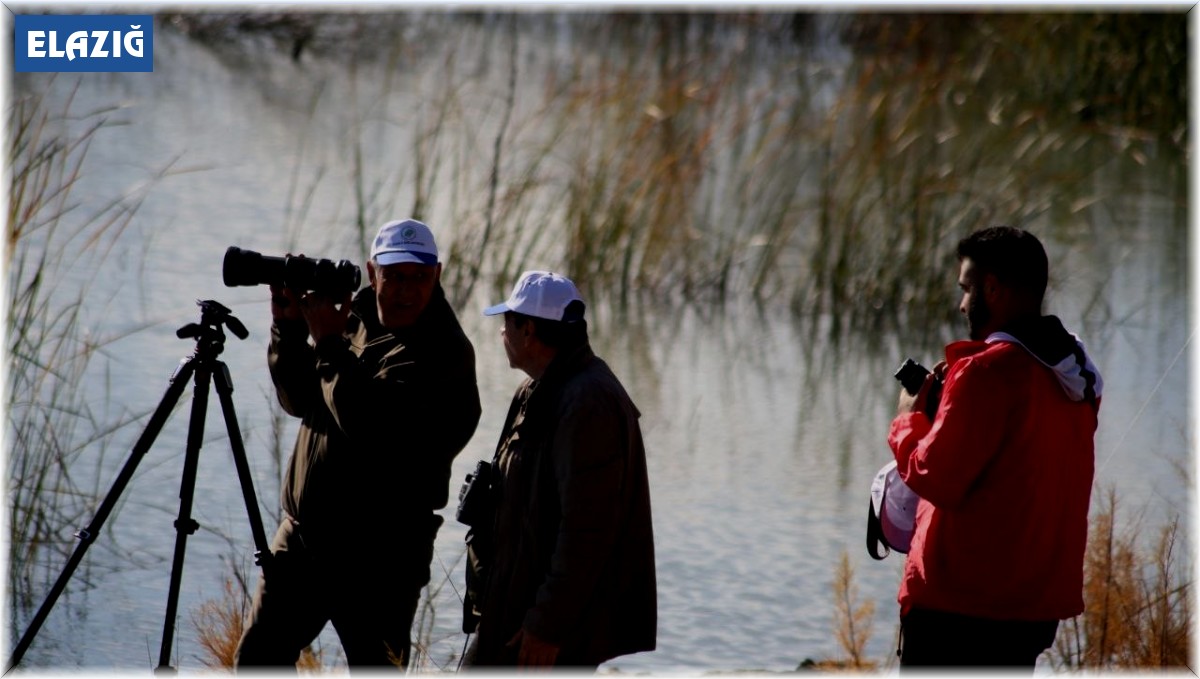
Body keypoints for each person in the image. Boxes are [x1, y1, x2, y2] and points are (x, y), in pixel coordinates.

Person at [235, 219, 481, 671]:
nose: (407, 290)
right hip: (305, 540)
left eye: (419, 276)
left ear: (437, 274)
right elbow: (300, 400)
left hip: (381, 557)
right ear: (372, 272)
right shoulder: (352, 318)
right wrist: (289, 329)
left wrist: (329, 343)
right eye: (395, 275)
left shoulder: (444, 353)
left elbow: (373, 428)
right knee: (258, 661)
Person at [888, 225, 1103, 670]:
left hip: (959, 608)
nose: (962, 304)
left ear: (992, 289)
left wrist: (909, 419)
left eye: (966, 289)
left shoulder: (985, 372)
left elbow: (935, 476)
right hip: (1030, 609)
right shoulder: (1074, 376)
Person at [463, 270, 656, 669]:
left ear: (529, 330)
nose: (501, 332)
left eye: (507, 321)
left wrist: (548, 625)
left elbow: (588, 530)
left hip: (546, 630)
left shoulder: (588, 403)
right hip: (513, 611)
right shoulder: (539, 389)